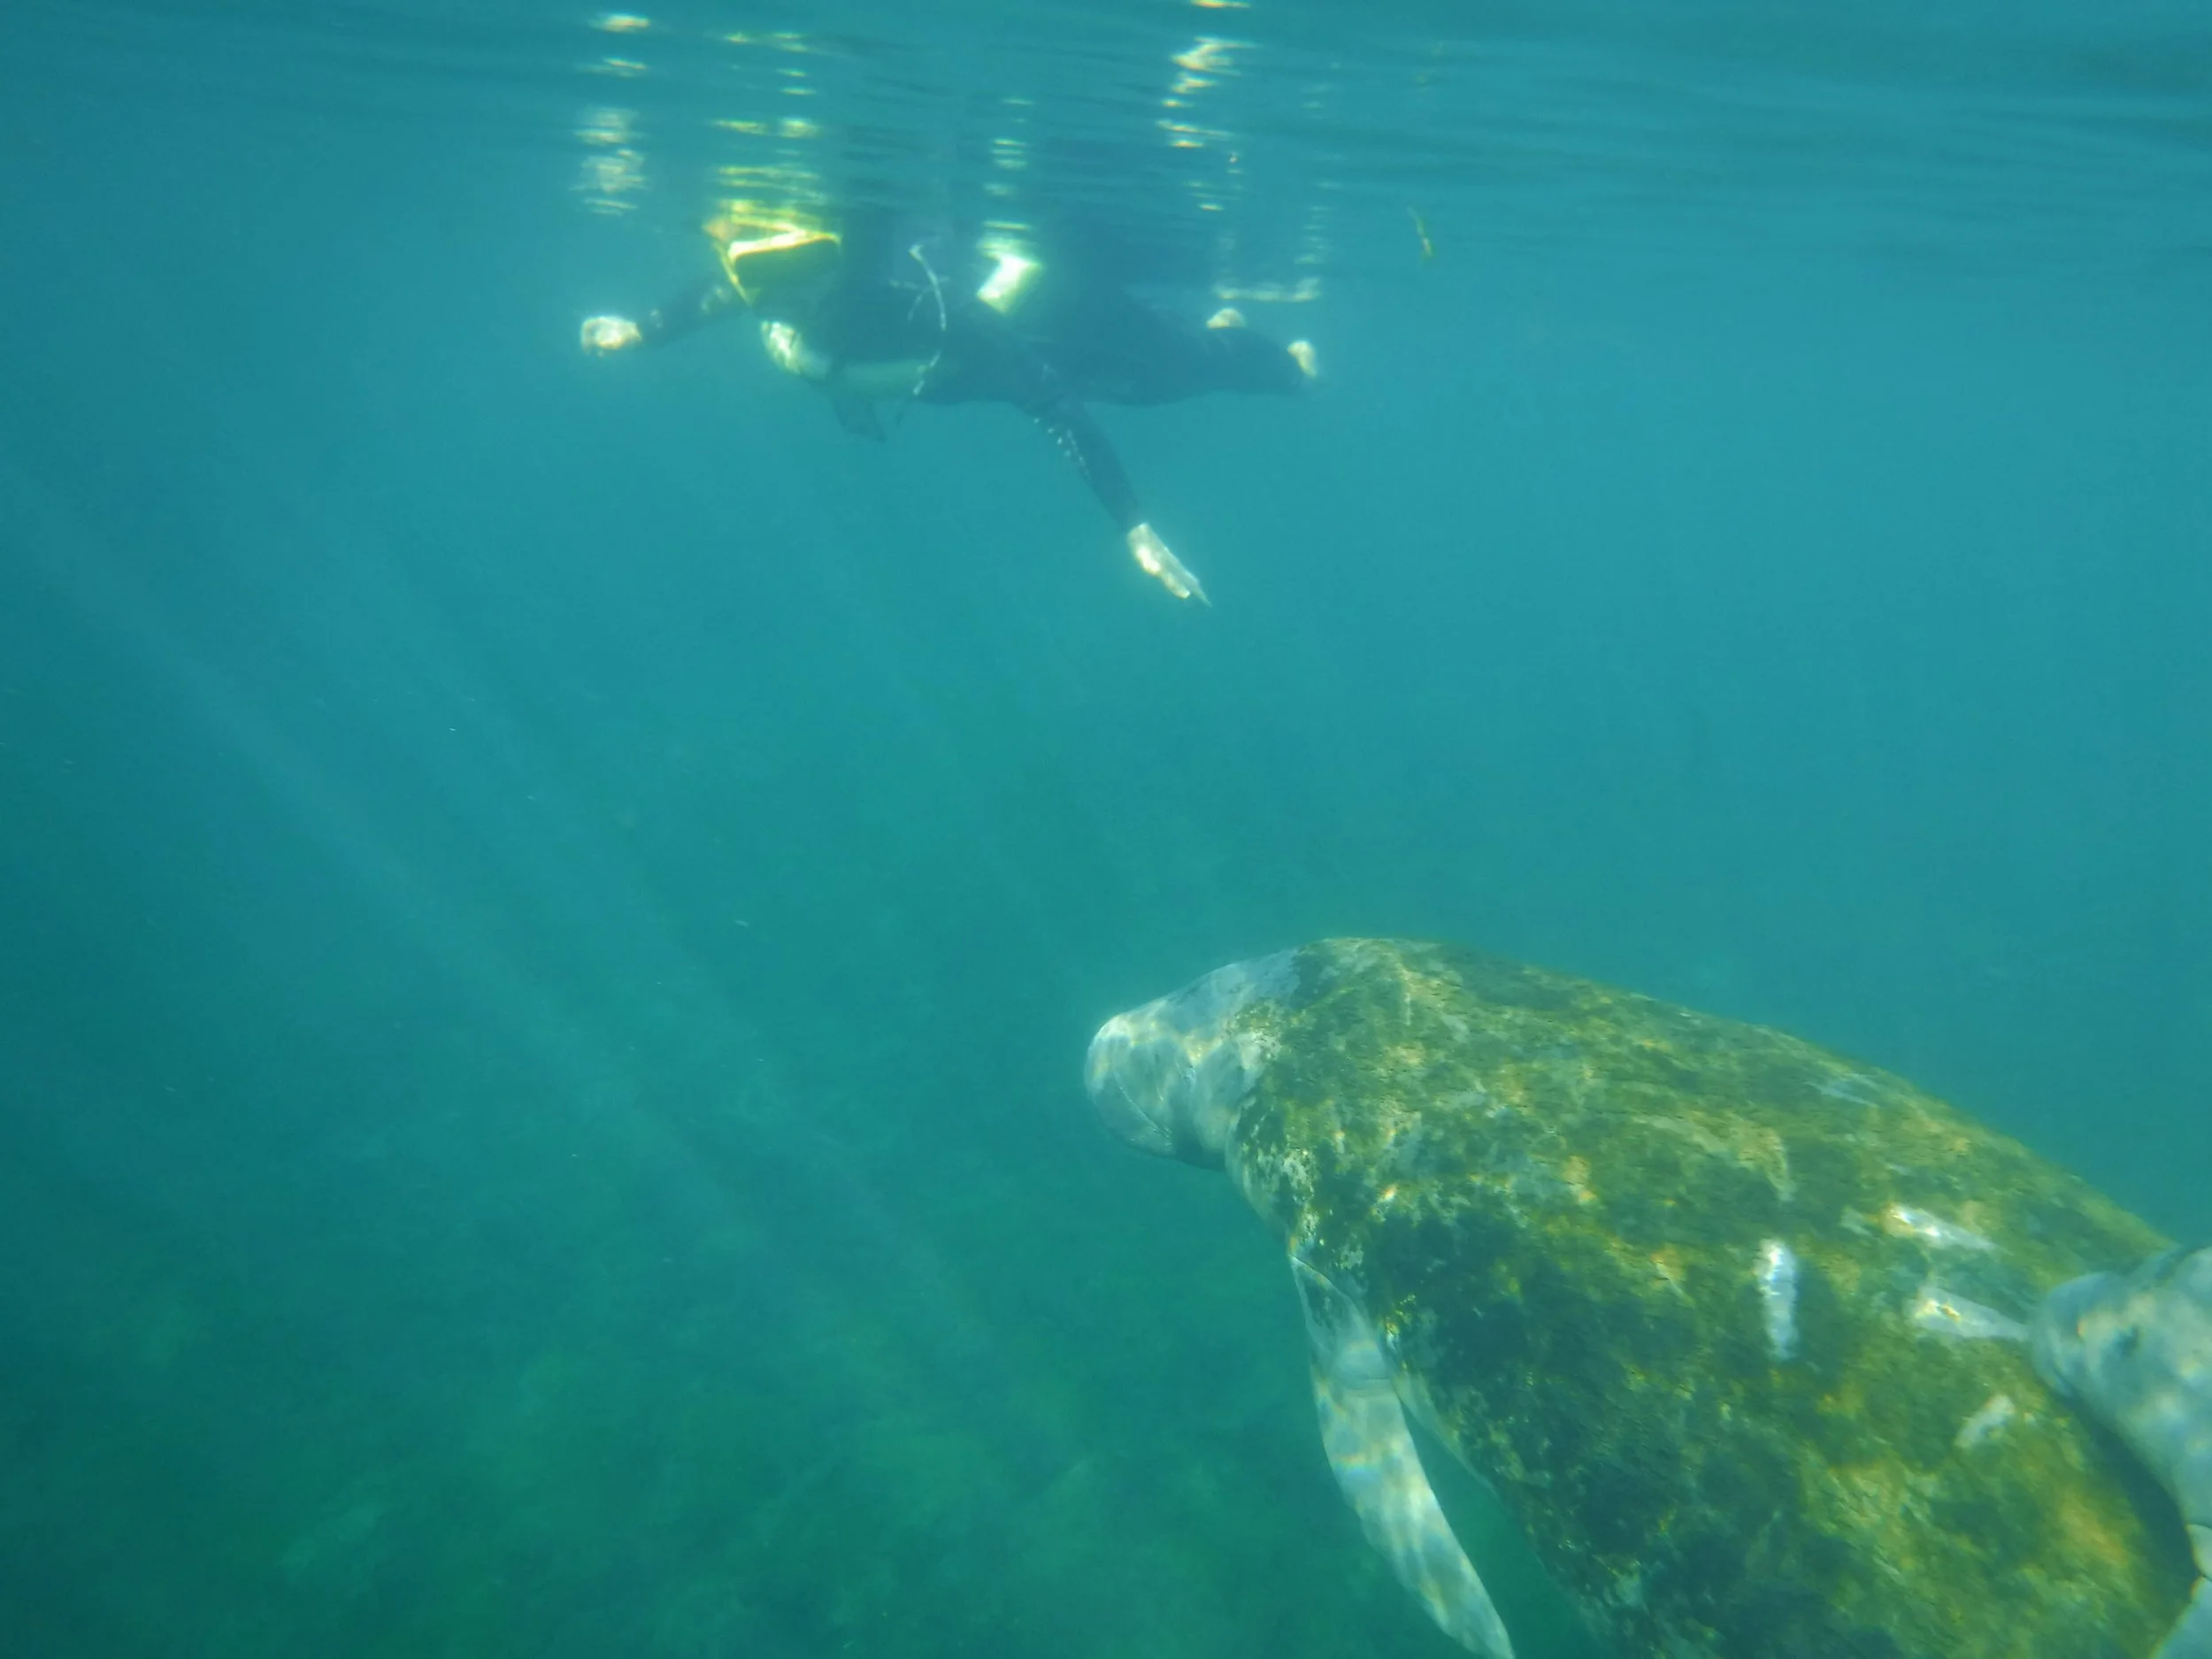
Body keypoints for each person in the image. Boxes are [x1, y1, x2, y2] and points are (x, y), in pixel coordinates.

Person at [580, 210, 1317, 603]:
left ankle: (1282, 366)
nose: (778, 300)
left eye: (803, 290)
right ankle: (1225, 344)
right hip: (971, 369)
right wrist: (639, 335)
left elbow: (1052, 402)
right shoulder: (769, 284)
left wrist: (1133, 525)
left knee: (1168, 370)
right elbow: (712, 300)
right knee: (1155, 372)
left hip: (1044, 321)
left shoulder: (930, 312)